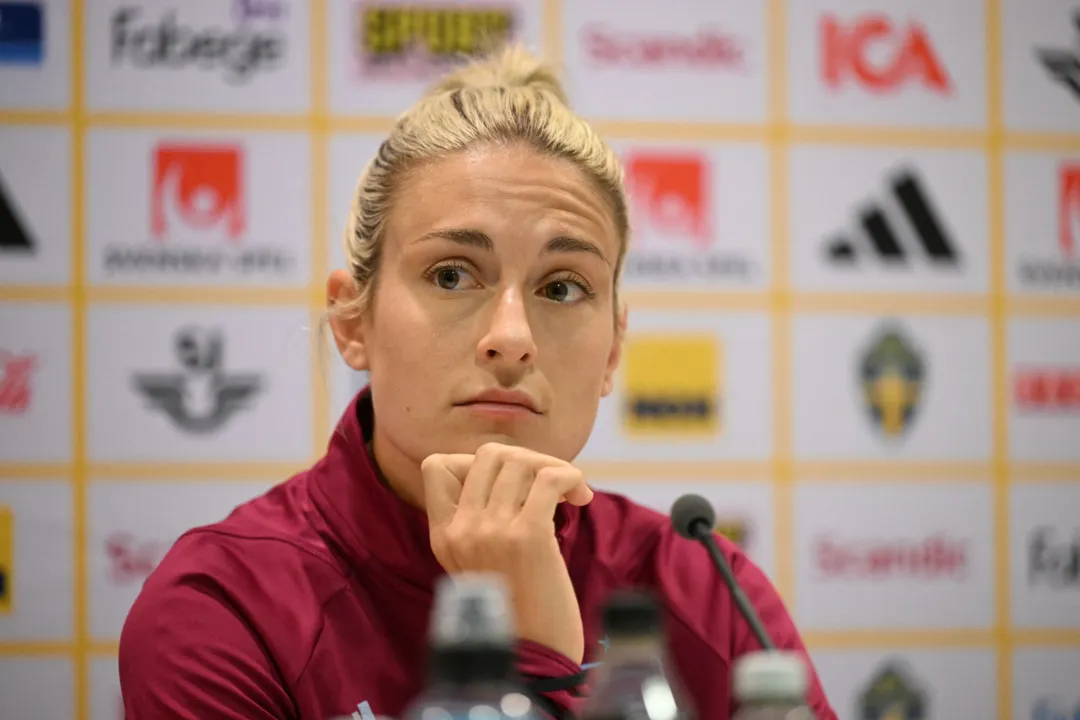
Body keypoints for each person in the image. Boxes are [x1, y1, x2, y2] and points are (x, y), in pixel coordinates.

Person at [118, 45, 837, 720]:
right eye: (452, 274)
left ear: (614, 348)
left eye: (562, 287)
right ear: (352, 321)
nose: (512, 339)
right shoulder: (220, 609)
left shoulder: (703, 587)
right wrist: (540, 669)